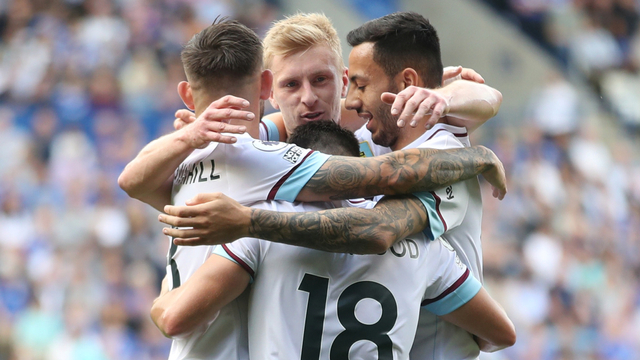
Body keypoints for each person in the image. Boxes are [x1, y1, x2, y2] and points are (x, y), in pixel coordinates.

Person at [118, 16, 507, 360]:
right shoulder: (266, 160)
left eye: (320, 80)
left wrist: (449, 102)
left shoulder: (406, 149)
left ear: (342, 82)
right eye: (291, 84)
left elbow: (378, 218)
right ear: (269, 90)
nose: (308, 98)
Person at [151, 120, 515, 360]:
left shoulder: (258, 228)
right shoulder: (425, 244)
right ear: (358, 162)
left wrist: (168, 286)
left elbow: (176, 320)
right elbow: (500, 334)